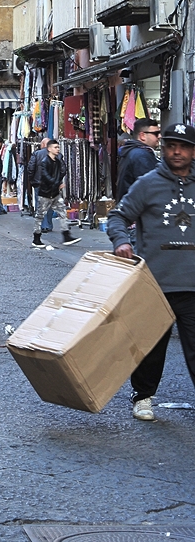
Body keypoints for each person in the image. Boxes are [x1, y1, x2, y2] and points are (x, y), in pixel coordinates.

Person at [107, 123, 195, 422]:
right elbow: (118, 216)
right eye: (171, 145)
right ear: (163, 148)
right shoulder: (147, 183)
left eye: (183, 146)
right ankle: (143, 397)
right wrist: (120, 241)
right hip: (155, 282)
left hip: (192, 284)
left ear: (193, 151)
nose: (177, 151)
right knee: (150, 348)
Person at [32, 139, 80, 248]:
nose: (58, 149)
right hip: (45, 193)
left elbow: (62, 170)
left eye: (58, 147)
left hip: (54, 193)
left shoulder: (58, 161)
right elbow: (45, 176)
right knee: (40, 215)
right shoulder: (44, 162)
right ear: (49, 149)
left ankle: (66, 235)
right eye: (55, 147)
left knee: (62, 212)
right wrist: (56, 183)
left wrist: (59, 181)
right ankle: (36, 238)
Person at [116, 117, 161, 201]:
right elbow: (150, 189)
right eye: (156, 133)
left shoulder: (132, 152)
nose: (159, 136)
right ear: (142, 136)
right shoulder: (140, 156)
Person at [27, 137, 53, 232]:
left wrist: (32, 181)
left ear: (42, 145)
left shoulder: (37, 154)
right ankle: (49, 224)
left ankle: (44, 225)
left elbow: (30, 168)